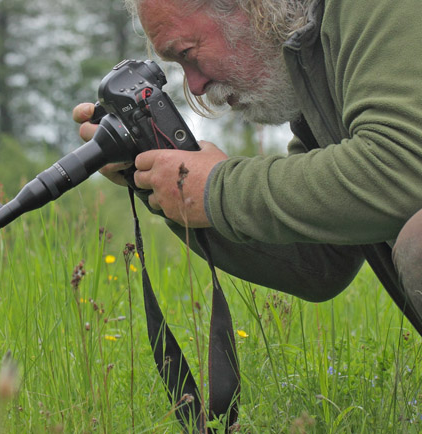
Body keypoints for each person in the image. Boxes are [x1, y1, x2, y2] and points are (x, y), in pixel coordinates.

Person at [72, 0, 422, 333]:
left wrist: (217, 187)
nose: (195, 85)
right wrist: (162, 179)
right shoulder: (317, 60)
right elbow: (320, 261)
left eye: (187, 53)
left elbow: (401, 168)